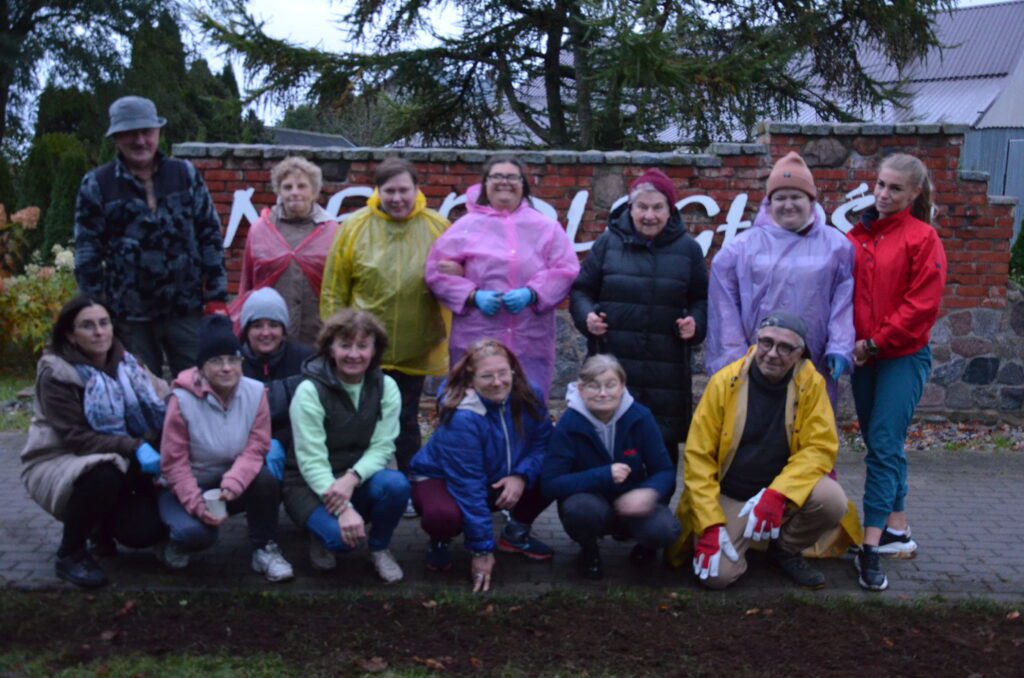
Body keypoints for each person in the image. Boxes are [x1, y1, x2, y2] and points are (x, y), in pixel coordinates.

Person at [665, 312, 853, 590]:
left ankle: (784, 550)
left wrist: (778, 495)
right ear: (756, 341)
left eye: (785, 347)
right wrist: (709, 524)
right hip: (731, 494)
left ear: (801, 353)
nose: (772, 354)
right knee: (716, 577)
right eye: (766, 342)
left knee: (833, 500)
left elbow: (820, 448)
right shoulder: (724, 382)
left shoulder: (812, 385)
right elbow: (698, 458)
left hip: (782, 497)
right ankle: (741, 538)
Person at [848, 153, 946, 592]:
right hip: (865, 358)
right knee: (881, 443)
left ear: (914, 193)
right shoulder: (859, 235)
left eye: (895, 189)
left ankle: (871, 544)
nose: (884, 194)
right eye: (880, 185)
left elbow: (921, 307)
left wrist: (875, 342)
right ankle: (898, 530)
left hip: (900, 356)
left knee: (884, 445)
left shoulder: (923, 238)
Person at [20, 296, 168, 588]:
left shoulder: (129, 363)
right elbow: (76, 438)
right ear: (70, 335)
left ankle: (100, 529)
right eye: (87, 326)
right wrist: (135, 447)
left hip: (119, 456)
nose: (99, 332)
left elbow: (164, 398)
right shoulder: (57, 373)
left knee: (145, 531)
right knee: (104, 473)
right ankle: (71, 553)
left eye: (104, 323)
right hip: (61, 458)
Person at [74, 95, 227, 376]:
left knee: (200, 385)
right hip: (129, 316)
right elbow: (87, 253)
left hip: (186, 309)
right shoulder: (98, 184)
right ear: (116, 138)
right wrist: (95, 307)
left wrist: (216, 295)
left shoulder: (185, 175)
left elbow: (209, 235)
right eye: (131, 134)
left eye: (147, 132)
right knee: (139, 390)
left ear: (158, 133)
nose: (140, 141)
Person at [320, 157, 450, 481]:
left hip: (415, 347)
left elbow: (454, 282)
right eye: (389, 190)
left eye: (403, 190)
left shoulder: (438, 227)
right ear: (377, 190)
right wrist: (336, 340)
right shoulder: (354, 226)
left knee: (406, 417)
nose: (396, 198)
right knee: (362, 419)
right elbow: (334, 288)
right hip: (362, 349)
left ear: (416, 189)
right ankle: (361, 484)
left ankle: (412, 483)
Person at [570, 169, 708, 464]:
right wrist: (586, 318)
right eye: (642, 207)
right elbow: (581, 291)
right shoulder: (607, 244)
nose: (649, 215)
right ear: (630, 208)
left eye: (657, 207)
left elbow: (702, 299)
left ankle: (653, 505)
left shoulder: (689, 250)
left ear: (670, 210)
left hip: (666, 374)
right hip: (612, 364)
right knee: (605, 454)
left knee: (660, 460)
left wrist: (695, 323)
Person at [705, 151, 855, 413]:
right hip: (756, 365)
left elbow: (843, 303)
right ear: (768, 202)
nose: (788, 204)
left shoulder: (837, 246)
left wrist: (840, 346)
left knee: (808, 431)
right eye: (780, 197)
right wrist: (734, 358)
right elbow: (724, 308)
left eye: (796, 196)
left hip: (812, 363)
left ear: (810, 200)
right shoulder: (738, 249)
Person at [425, 155, 579, 400]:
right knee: (473, 406)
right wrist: (473, 296)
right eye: (496, 176)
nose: (504, 182)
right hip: (476, 335)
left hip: (530, 338)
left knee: (526, 406)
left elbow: (566, 268)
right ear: (485, 184)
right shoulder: (466, 226)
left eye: (512, 177)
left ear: (524, 185)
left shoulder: (546, 227)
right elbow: (437, 270)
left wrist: (533, 293)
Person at [409, 339, 554, 592]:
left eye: (503, 373)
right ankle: (440, 539)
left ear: (513, 370)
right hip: (443, 478)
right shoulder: (463, 416)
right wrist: (481, 549)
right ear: (471, 378)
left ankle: (515, 534)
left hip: (499, 476)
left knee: (553, 473)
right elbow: (469, 485)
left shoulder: (530, 394)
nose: (497, 382)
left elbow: (543, 443)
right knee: (443, 516)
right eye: (487, 376)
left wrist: (521, 475)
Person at [157, 315, 294, 582]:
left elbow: (257, 447)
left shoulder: (255, 393)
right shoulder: (182, 399)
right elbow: (173, 464)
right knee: (195, 535)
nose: (227, 368)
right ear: (200, 367)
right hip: (187, 485)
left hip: (230, 483)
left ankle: (264, 548)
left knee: (265, 480)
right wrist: (197, 504)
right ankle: (173, 540)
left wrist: (235, 480)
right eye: (216, 361)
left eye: (233, 359)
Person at [286, 310, 410, 583]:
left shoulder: (386, 386)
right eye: (345, 345)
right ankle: (321, 533)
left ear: (374, 349)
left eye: (362, 346)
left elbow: (383, 446)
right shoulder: (309, 391)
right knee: (342, 542)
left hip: (356, 477)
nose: (354, 354)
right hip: (308, 482)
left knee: (397, 485)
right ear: (330, 348)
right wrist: (343, 508)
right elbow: (311, 460)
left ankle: (379, 548)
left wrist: (352, 479)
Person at [542, 355, 680, 580]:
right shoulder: (568, 423)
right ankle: (589, 551)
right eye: (594, 386)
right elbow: (550, 483)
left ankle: (645, 547)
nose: (603, 393)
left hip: (633, 503)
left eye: (610, 385)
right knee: (579, 511)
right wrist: (603, 475)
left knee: (666, 528)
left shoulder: (641, 417)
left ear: (622, 386)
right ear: (580, 389)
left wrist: (649, 492)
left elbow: (664, 470)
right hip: (591, 502)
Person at [230, 156, 340, 345]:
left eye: (302, 186)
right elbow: (247, 283)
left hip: (318, 331)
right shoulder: (260, 229)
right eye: (287, 187)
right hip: (269, 334)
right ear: (279, 191)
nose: (294, 193)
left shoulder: (332, 231)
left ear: (314, 192)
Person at [239, 287, 314, 478]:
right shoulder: (233, 364)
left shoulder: (305, 360)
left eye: (273, 325)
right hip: (247, 449)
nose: (266, 333)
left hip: (298, 445)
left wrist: (280, 440)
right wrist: (264, 443)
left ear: (283, 328)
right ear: (246, 330)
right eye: (257, 325)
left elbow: (311, 416)